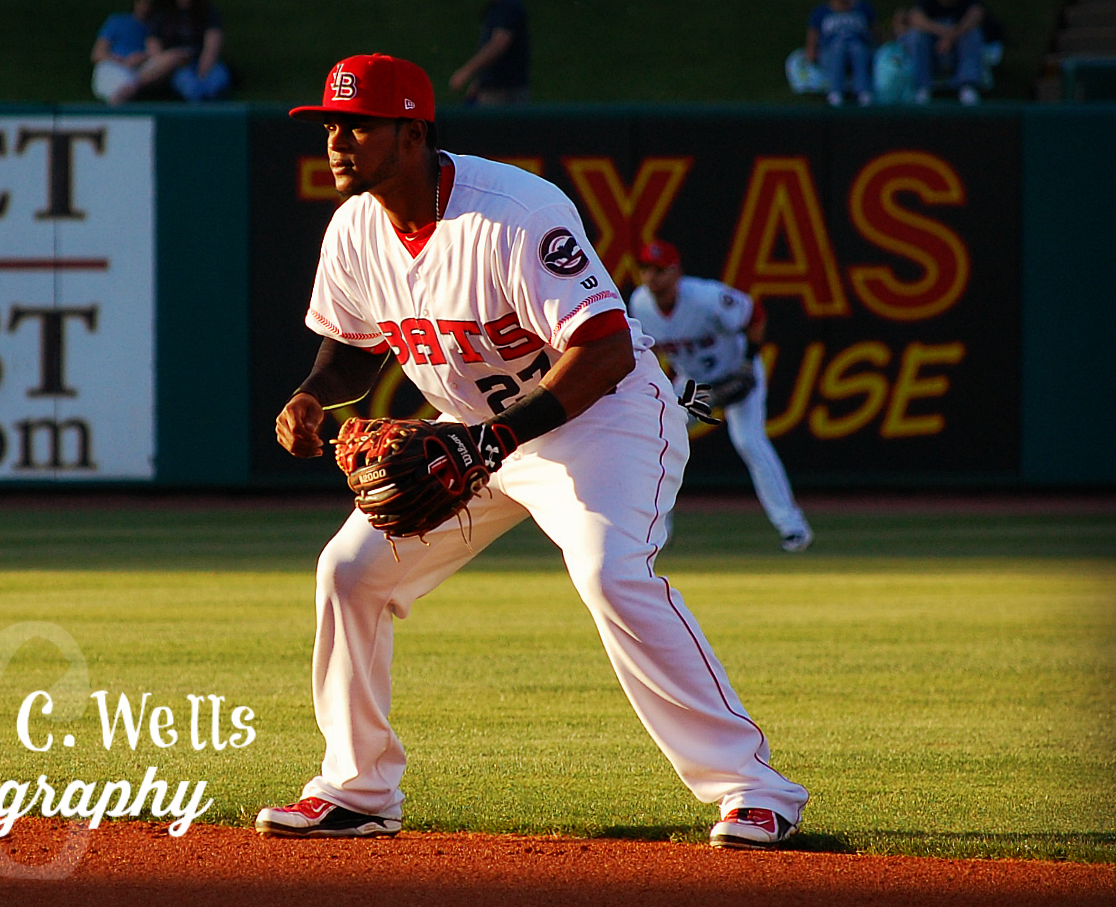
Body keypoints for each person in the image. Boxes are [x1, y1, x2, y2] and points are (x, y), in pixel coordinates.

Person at [255, 53, 810, 850]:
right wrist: (313, 393)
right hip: (471, 433)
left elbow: (607, 347)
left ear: (411, 134)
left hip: (603, 419)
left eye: (358, 124)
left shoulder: (512, 210)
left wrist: (491, 441)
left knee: (609, 571)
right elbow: (349, 347)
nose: (337, 139)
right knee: (349, 572)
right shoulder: (354, 229)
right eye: (331, 124)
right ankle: (358, 787)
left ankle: (755, 790)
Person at [627, 241, 813, 553]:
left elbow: (754, 314)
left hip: (736, 372)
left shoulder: (705, 297)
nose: (651, 277)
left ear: (676, 272)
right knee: (659, 440)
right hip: (694, 382)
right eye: (646, 269)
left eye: (659, 270)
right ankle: (658, 532)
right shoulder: (641, 303)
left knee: (749, 441)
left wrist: (747, 362)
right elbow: (657, 348)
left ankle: (794, 528)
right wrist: (671, 387)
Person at [90, 0, 188, 105]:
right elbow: (97, 54)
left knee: (169, 59)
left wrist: (142, 58)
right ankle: (117, 101)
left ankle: (126, 92)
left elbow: (158, 55)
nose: (145, 6)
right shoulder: (117, 21)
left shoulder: (158, 25)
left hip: (144, 70)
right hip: (115, 66)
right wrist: (121, 60)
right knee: (107, 71)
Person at [903, 0, 986, 104]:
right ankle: (921, 88)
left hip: (957, 54)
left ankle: (967, 86)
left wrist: (953, 36)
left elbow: (977, 14)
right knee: (916, 36)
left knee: (973, 34)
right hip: (933, 54)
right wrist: (943, 33)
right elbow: (915, 17)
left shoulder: (967, 3)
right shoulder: (926, 4)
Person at [449, 0, 530, 105]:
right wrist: (479, 82)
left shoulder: (507, 6)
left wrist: (466, 71)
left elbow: (499, 43)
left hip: (504, 93)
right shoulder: (500, 8)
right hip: (496, 89)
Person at [150, 0, 230, 102]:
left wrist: (203, 70)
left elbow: (212, 43)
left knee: (217, 81)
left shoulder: (207, 10)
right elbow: (153, 43)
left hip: (202, 61)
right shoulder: (162, 12)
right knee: (191, 87)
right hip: (176, 65)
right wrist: (164, 63)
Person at [804, 0, 878, 107]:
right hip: (831, 53)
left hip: (858, 50)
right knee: (838, 48)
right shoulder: (821, 12)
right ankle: (835, 93)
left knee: (857, 48)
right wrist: (811, 52)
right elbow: (812, 37)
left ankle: (864, 92)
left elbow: (876, 32)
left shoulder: (862, 9)